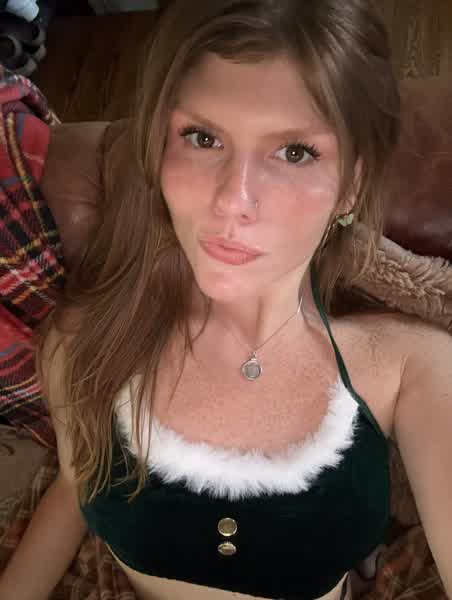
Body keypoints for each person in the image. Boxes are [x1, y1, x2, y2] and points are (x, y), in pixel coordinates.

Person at [1, 1, 451, 599]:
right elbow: (73, 486)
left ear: (351, 186)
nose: (232, 201)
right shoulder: (83, 343)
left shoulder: (412, 370)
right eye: (202, 137)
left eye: (295, 152)